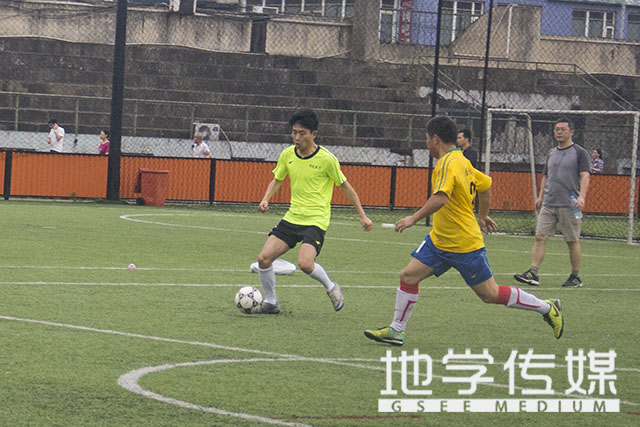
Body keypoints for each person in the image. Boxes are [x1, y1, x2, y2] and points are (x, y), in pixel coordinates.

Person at [364, 116, 564, 346]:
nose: (426, 144)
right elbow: (486, 184)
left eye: (426, 139)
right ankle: (396, 330)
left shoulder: (448, 163)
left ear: (435, 139)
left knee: (490, 294)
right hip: (439, 241)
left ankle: (547, 307)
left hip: (463, 244)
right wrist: (483, 215)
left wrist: (413, 218)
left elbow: (441, 197)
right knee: (408, 276)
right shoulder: (461, 160)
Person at [256, 108, 373, 314]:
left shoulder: (327, 159)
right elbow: (277, 179)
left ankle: (331, 286)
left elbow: (346, 187)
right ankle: (271, 302)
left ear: (314, 134)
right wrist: (266, 198)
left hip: (316, 220)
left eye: (302, 133)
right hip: (293, 216)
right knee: (263, 259)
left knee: (305, 264)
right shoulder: (287, 155)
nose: (297, 137)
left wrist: (362, 216)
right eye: (294, 132)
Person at [514, 117, 591, 288]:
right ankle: (533, 272)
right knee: (540, 236)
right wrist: (540, 196)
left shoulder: (580, 152)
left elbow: (585, 175)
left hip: (569, 204)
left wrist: (582, 197)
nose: (559, 132)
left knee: (571, 240)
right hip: (549, 203)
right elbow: (546, 176)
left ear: (571, 132)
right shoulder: (551, 152)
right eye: (557, 129)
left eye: (563, 129)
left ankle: (575, 276)